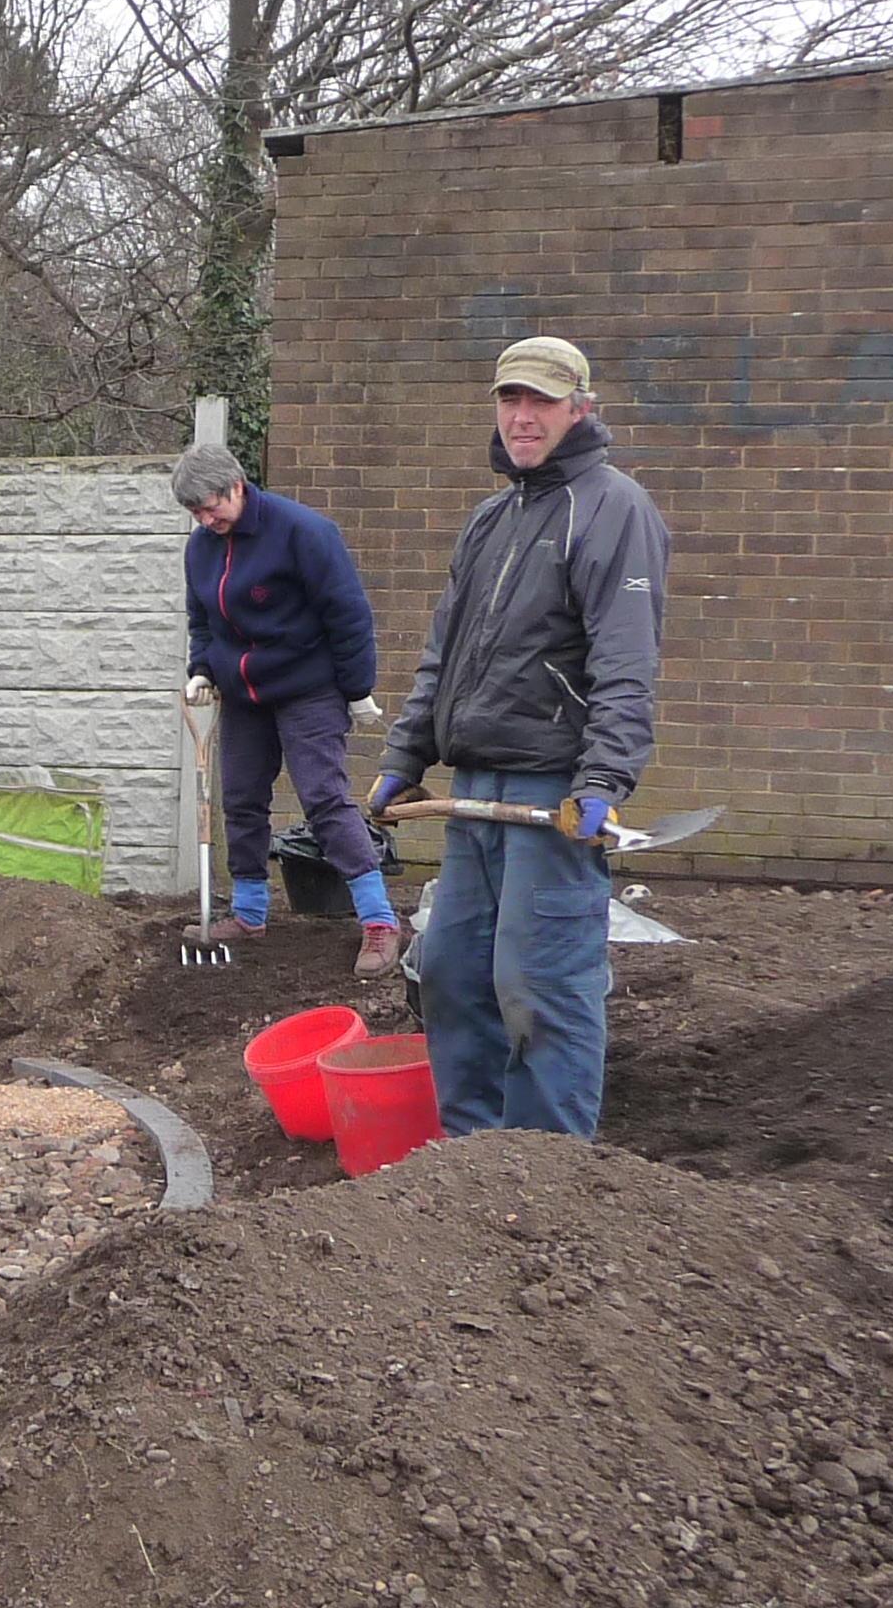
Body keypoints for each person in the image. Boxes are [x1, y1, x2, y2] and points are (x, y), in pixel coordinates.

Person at [368, 337, 669, 1141]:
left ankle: (546, 1167)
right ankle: (473, 1161)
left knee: (539, 985)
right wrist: (405, 754)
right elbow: (445, 654)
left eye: (541, 400)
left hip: (553, 795)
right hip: (476, 793)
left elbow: (626, 664)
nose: (523, 417)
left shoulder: (613, 510)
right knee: (452, 974)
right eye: (511, 399)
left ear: (581, 409)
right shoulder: (491, 520)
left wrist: (602, 779)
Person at [172, 441, 399, 976]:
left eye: (211, 508)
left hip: (307, 687)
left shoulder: (302, 532)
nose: (206, 521)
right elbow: (202, 619)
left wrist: (356, 687)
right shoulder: (201, 547)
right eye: (196, 513)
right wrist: (202, 669)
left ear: (236, 486)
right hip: (243, 694)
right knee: (242, 799)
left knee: (323, 798)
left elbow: (348, 612)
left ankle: (379, 920)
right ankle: (249, 912)